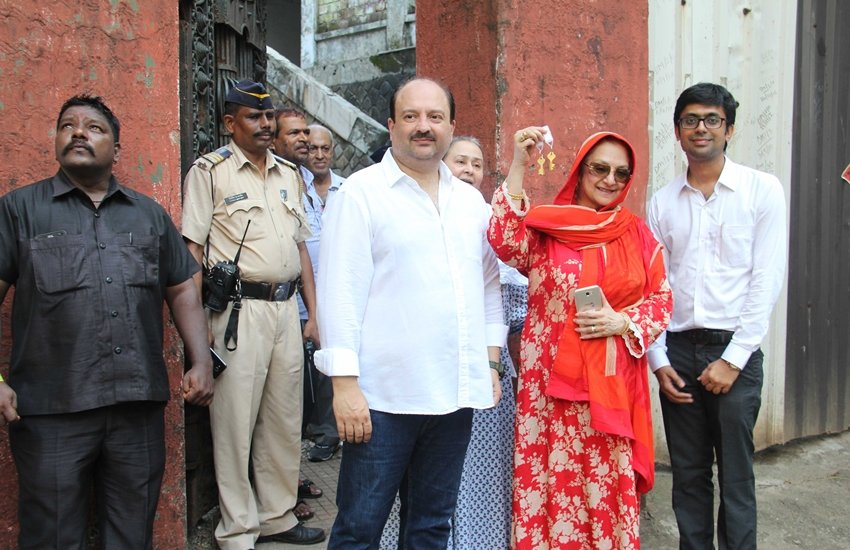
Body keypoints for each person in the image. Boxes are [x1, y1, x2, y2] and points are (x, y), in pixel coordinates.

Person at [0, 94, 214, 549]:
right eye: (67, 126)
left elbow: (181, 289)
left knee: (131, 533)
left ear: (117, 149)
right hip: (49, 410)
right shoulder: (19, 210)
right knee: (52, 536)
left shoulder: (148, 215)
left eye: (94, 127)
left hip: (136, 407)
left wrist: (201, 362)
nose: (78, 132)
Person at [315, 77, 506, 549]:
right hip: (381, 399)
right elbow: (339, 292)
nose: (424, 127)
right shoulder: (361, 194)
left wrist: (490, 360)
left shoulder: (470, 203)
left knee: (431, 525)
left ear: (451, 126)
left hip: (453, 396)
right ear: (392, 125)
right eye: (412, 116)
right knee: (360, 526)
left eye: (435, 117)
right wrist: (344, 387)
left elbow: (486, 286)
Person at [489, 129, 673, 549]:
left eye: (621, 174)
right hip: (547, 390)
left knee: (603, 484)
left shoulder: (635, 232)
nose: (610, 180)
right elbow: (504, 238)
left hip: (608, 388)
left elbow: (662, 299)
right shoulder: (548, 226)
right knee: (550, 480)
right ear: (580, 169)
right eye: (600, 168)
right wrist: (519, 161)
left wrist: (622, 323)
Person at [182, 80, 324, 548]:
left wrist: (313, 310)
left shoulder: (288, 173)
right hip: (238, 314)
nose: (265, 125)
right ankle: (239, 529)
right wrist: (198, 332)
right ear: (230, 123)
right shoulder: (210, 172)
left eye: (268, 117)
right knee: (234, 422)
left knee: (284, 418)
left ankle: (277, 517)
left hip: (285, 309)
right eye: (253, 117)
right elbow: (193, 250)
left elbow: (300, 246)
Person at [647, 83, 787, 549]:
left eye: (711, 119)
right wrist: (658, 360)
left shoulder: (761, 190)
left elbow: (765, 279)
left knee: (736, 475)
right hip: (679, 354)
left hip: (735, 350)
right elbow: (654, 285)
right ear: (677, 130)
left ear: (729, 128)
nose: (700, 128)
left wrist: (735, 358)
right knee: (687, 475)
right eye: (690, 120)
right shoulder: (663, 201)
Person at [302, 123, 345, 462]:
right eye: (313, 149)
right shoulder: (292, 187)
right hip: (299, 298)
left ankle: (329, 436)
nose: (319, 155)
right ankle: (308, 433)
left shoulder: (348, 190)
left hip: (336, 296)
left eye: (325, 149)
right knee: (301, 376)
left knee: (331, 369)